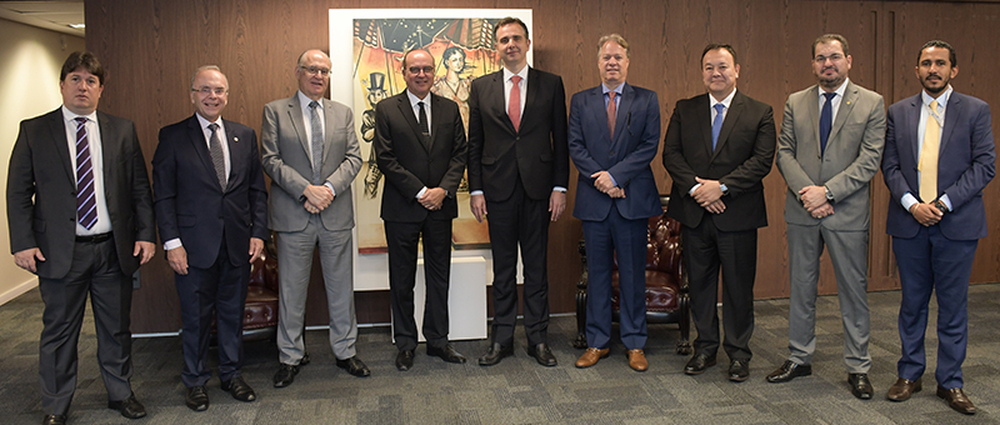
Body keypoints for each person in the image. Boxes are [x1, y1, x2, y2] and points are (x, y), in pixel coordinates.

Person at [7, 51, 155, 425]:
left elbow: (139, 188)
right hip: (60, 252)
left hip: (112, 249)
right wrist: (22, 242)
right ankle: (56, 405)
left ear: (101, 89)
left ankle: (120, 392)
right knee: (59, 330)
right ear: (62, 85)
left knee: (116, 327)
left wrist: (146, 235)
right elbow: (18, 192)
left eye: (91, 81)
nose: (83, 87)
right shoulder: (34, 131)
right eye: (75, 79)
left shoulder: (121, 129)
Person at [881, 40, 995, 415]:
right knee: (911, 304)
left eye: (941, 63)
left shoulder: (976, 110)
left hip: (956, 224)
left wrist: (942, 204)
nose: (933, 69)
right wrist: (913, 205)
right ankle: (909, 374)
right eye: (926, 63)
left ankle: (951, 382)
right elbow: (890, 166)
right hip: (910, 223)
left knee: (953, 307)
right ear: (916, 70)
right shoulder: (898, 112)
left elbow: (984, 166)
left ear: (953, 70)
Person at [769, 34, 886, 400]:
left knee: (853, 292)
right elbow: (784, 152)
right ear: (813, 63)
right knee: (801, 289)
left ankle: (858, 366)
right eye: (820, 58)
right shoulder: (795, 101)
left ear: (848, 60)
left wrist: (828, 192)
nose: (827, 64)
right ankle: (799, 356)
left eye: (834, 57)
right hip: (804, 210)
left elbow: (870, 159)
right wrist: (810, 194)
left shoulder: (871, 102)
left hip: (846, 212)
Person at [153, 65, 268, 411]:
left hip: (236, 244)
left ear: (227, 96)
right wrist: (171, 242)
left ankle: (232, 375)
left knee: (232, 314)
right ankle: (196, 380)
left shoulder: (244, 135)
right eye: (204, 90)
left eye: (218, 90)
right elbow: (163, 195)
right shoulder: (172, 136)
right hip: (191, 247)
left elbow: (256, 192)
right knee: (196, 318)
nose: (212, 96)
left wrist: (258, 233)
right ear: (192, 95)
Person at [662, 43, 776, 382]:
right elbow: (672, 155)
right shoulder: (686, 109)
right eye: (709, 67)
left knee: (739, 288)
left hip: (737, 215)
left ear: (737, 70)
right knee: (700, 286)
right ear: (702, 72)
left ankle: (739, 354)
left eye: (723, 66)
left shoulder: (760, 111)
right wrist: (699, 190)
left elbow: (761, 162)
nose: (716, 73)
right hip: (696, 215)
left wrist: (721, 187)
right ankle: (706, 348)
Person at [261, 50, 367, 388]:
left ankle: (345, 351)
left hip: (335, 213)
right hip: (294, 215)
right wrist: (307, 190)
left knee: (340, 289)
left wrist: (328, 190)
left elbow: (354, 158)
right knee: (292, 291)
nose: (318, 76)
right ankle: (290, 356)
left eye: (324, 71)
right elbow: (270, 159)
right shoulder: (276, 111)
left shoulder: (343, 113)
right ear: (298, 72)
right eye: (312, 69)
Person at [467, 16, 568, 367]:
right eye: (503, 40)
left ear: (527, 43)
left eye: (516, 38)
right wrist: (476, 189)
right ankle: (503, 338)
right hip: (497, 190)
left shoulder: (551, 84)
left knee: (537, 268)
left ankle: (538, 339)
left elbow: (561, 140)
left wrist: (560, 186)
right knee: (504, 268)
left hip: (539, 190)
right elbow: (474, 143)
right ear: (496, 47)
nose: (510, 44)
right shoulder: (480, 87)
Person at [568, 34, 661, 372]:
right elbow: (575, 146)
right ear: (597, 62)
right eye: (606, 57)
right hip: (595, 204)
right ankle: (597, 342)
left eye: (618, 57)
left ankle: (635, 343)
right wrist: (603, 180)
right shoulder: (580, 101)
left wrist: (616, 177)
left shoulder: (647, 99)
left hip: (632, 202)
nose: (611, 63)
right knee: (598, 274)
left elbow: (648, 146)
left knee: (634, 274)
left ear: (627, 61)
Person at [374, 48, 468, 371]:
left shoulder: (450, 109)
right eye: (414, 69)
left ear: (434, 72)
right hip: (402, 208)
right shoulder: (386, 109)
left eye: (427, 68)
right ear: (403, 72)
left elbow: (460, 154)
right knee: (402, 279)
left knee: (439, 277)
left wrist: (442, 190)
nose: (421, 74)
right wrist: (420, 191)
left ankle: (438, 340)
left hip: (441, 207)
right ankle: (405, 343)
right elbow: (385, 159)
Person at [432, 46, 473, 130]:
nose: (458, 63)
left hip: (467, 129)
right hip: (446, 130)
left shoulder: (468, 84)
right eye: (454, 60)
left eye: (460, 60)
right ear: (447, 62)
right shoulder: (438, 86)